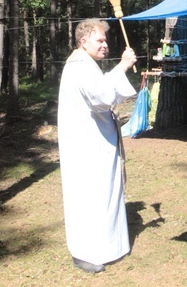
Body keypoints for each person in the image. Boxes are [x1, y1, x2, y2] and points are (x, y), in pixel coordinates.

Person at [57, 18, 137, 274]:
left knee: (103, 194)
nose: (105, 45)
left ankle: (109, 245)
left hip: (96, 141)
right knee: (88, 196)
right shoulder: (79, 66)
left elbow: (101, 91)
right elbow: (101, 98)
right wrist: (122, 66)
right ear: (83, 42)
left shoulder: (85, 64)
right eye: (99, 40)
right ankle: (85, 252)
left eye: (105, 40)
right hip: (86, 145)